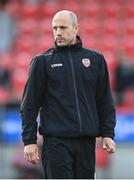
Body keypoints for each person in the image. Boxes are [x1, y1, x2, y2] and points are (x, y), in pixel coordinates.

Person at [20, 10, 116, 179]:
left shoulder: (95, 60)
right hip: (56, 143)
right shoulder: (42, 62)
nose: (58, 32)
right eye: (55, 28)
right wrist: (29, 141)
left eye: (63, 27)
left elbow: (105, 101)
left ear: (76, 28)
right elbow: (29, 106)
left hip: (86, 143)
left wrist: (107, 133)